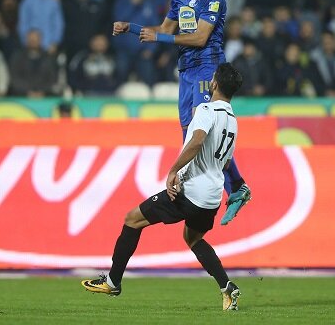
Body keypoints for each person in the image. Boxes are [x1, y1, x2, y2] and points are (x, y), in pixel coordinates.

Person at [81, 63, 243, 311]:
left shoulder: (206, 109)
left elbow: (196, 142)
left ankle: (112, 282)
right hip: (212, 198)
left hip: (192, 193)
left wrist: (174, 171)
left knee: (133, 219)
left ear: (215, 84)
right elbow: (227, 162)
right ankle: (226, 287)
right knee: (193, 238)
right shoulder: (232, 121)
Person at [111, 0, 251, 226]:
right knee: (188, 133)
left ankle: (237, 187)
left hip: (208, 69)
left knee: (204, 132)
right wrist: (132, 28)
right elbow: (164, 30)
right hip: (186, 72)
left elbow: (200, 38)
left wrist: (160, 39)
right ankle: (220, 186)